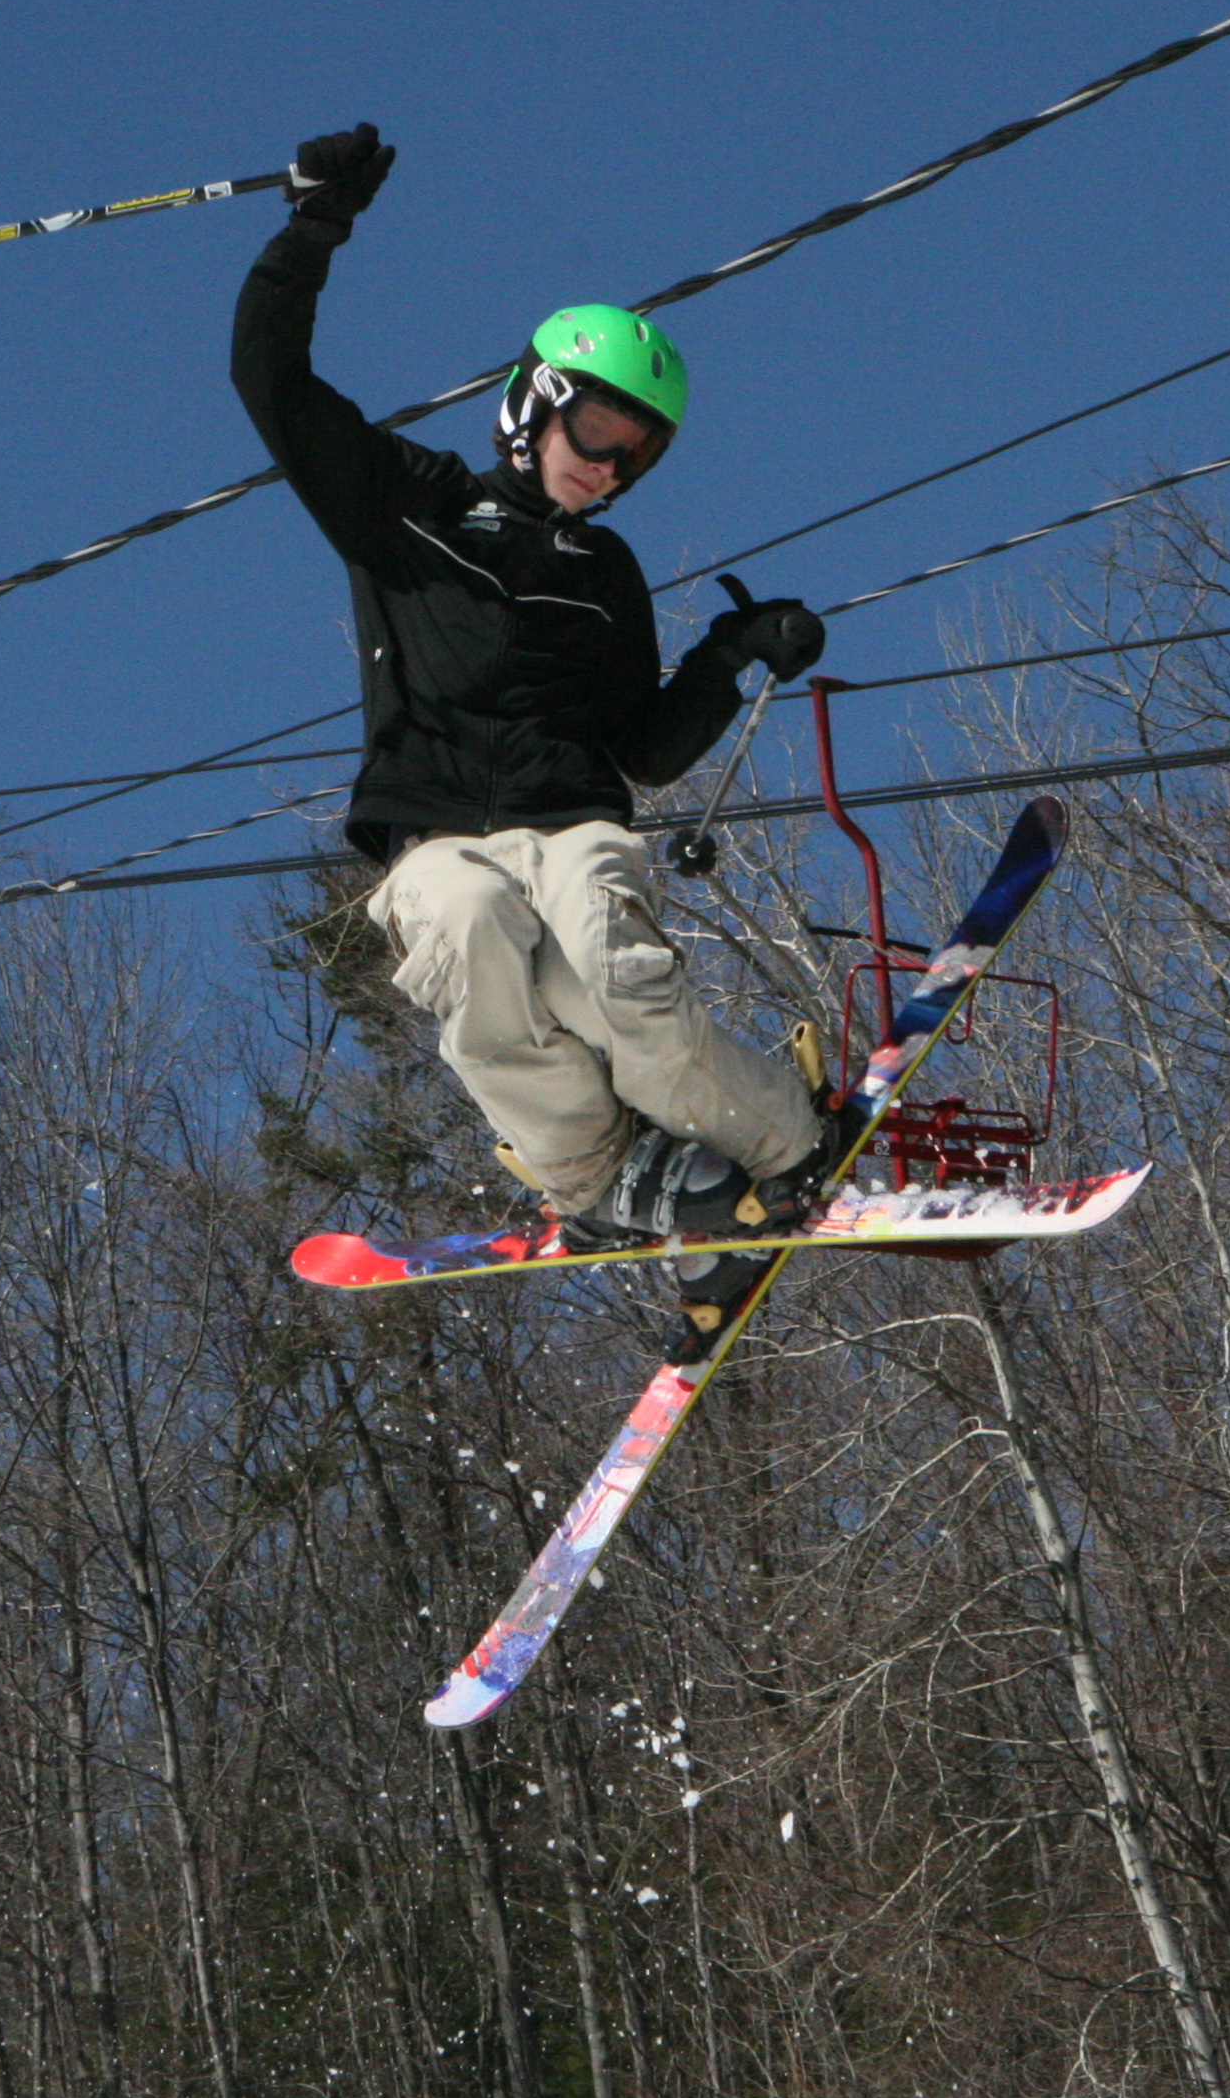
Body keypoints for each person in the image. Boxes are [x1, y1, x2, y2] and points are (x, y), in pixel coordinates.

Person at [234, 122, 840, 1261]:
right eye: (598, 429)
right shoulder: (403, 501)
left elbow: (646, 748)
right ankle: (603, 1174)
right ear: (538, 396)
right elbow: (271, 378)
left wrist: (727, 653)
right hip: (438, 828)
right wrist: (314, 225)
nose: (606, 465)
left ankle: (786, 1144)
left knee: (613, 975)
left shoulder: (601, 571)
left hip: (570, 817)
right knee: (469, 933)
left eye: (635, 452)